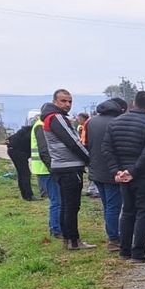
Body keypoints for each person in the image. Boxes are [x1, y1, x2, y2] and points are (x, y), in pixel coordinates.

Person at [103, 90, 145, 262]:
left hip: (122, 176)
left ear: (134, 104)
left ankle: (124, 250)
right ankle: (138, 251)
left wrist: (118, 171)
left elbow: (106, 149)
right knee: (144, 213)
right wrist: (133, 172)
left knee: (128, 212)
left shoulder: (114, 123)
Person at [41, 89, 94, 250]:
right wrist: (90, 159)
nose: (67, 104)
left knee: (66, 205)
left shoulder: (51, 118)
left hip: (62, 166)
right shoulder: (57, 118)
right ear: (54, 102)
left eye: (70, 101)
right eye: (63, 101)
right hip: (69, 167)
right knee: (71, 206)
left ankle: (68, 240)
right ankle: (73, 241)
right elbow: (73, 142)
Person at [84, 98, 128, 252]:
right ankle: (114, 240)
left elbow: (85, 144)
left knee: (107, 205)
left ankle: (112, 234)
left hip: (96, 170)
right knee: (114, 207)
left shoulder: (90, 122)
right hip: (112, 170)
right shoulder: (117, 122)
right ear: (120, 109)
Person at [30, 103, 62, 238]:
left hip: (43, 168)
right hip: (46, 169)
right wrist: (53, 168)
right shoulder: (41, 126)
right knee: (57, 200)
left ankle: (54, 226)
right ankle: (57, 229)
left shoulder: (38, 124)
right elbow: (44, 150)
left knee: (56, 199)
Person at [5, 122, 36, 200]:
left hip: (13, 150)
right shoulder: (34, 130)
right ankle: (29, 196)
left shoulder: (27, 129)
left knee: (21, 173)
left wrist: (8, 140)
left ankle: (25, 195)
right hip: (18, 152)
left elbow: (11, 138)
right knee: (25, 173)